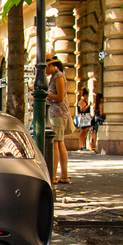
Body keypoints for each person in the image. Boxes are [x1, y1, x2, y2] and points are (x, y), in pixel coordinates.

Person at [46, 56, 70, 184]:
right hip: (56, 113)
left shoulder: (59, 76)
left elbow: (60, 97)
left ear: (50, 65)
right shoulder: (53, 77)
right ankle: (64, 175)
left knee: (55, 143)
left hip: (58, 113)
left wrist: (45, 94)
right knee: (60, 143)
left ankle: (54, 175)